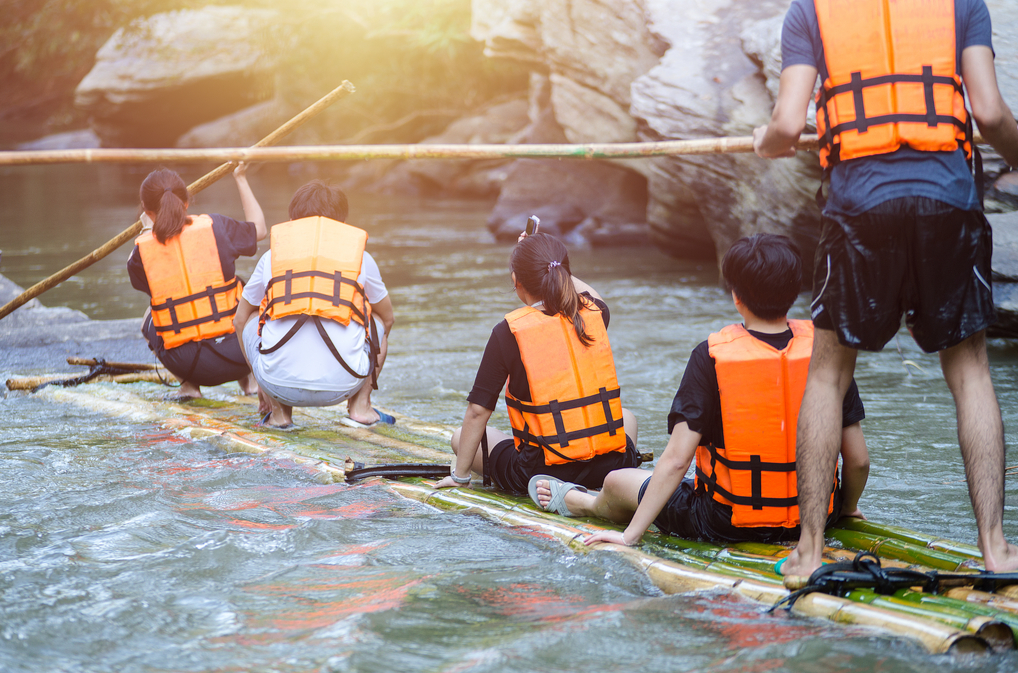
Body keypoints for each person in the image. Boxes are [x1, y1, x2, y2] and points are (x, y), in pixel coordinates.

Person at [752, 0, 1018, 575]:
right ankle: (996, 549)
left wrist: (763, 142)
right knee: (970, 372)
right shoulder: (962, 3)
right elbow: (990, 114)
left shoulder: (810, 10)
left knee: (828, 374)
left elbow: (787, 126)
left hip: (858, 207)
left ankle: (808, 552)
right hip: (947, 202)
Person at [533, 235, 870, 552]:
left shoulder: (711, 358)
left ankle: (583, 502)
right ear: (796, 290)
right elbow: (858, 460)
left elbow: (677, 460)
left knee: (617, 481)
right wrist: (846, 509)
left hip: (723, 522)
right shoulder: (825, 354)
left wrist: (630, 535)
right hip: (815, 518)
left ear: (736, 296)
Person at [432, 231, 641, 493]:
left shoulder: (507, 333)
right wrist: (549, 261)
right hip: (608, 465)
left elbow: (477, 411)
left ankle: (559, 488)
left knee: (459, 437)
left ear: (516, 281)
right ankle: (613, 482)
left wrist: (461, 476)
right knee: (627, 417)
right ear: (564, 273)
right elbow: (592, 295)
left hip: (541, 474)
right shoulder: (594, 314)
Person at [232, 180, 394, 429]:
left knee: (252, 316)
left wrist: (262, 383)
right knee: (378, 319)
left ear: (293, 221)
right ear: (342, 224)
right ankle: (361, 406)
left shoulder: (271, 257)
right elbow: (388, 318)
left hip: (277, 384)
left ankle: (279, 413)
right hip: (345, 384)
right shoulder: (362, 258)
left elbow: (239, 320)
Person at [127, 165, 265, 401]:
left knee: (151, 315)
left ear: (146, 211)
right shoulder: (217, 226)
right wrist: (241, 178)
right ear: (186, 202)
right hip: (240, 356)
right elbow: (260, 229)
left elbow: (147, 284)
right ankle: (251, 381)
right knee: (242, 292)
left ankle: (189, 387)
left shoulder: (141, 254)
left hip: (188, 365)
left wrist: (148, 232)